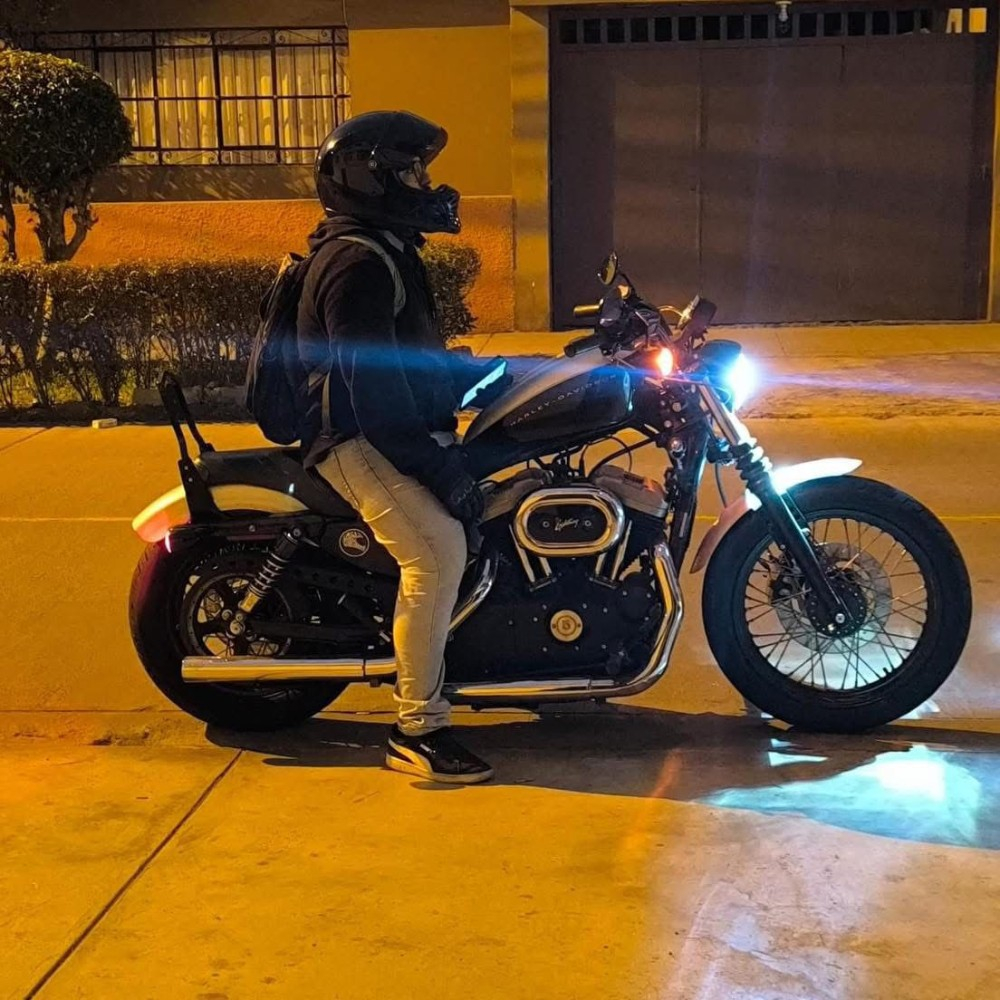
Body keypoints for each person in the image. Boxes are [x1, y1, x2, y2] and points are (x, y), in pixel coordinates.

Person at [297, 110, 493, 784]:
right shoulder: (356, 264)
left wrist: (494, 377)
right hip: (356, 439)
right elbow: (374, 394)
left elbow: (407, 363)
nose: (425, 186)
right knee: (437, 552)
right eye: (412, 173)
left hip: (391, 427)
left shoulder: (385, 250)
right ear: (369, 179)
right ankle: (417, 729)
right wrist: (439, 469)